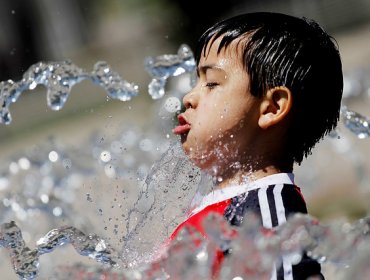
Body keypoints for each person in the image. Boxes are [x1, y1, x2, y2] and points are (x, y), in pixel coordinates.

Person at [170, 12, 343, 279]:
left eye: (212, 83)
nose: (189, 97)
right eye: (196, 81)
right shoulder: (227, 204)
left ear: (271, 107)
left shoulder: (265, 211)